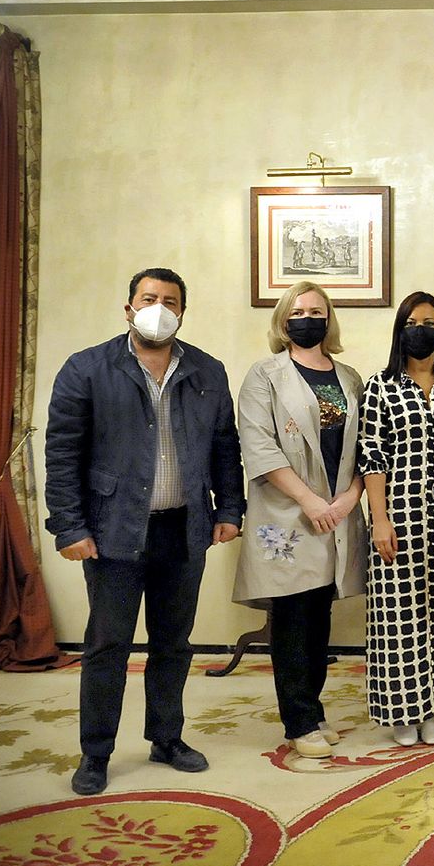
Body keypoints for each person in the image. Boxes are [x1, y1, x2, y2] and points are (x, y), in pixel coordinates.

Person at [45, 268, 244, 795]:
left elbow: (226, 446)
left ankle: (166, 737)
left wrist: (230, 509)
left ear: (183, 311)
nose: (159, 306)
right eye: (148, 298)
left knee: (173, 643)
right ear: (129, 307)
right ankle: (96, 752)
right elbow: (62, 454)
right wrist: (69, 526)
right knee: (108, 645)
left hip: (185, 528)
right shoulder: (88, 368)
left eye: (170, 300)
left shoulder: (207, 370)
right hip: (113, 530)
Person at [234, 282, 367, 759]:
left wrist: (350, 497)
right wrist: (310, 501)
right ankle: (299, 719)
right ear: (283, 319)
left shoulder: (350, 377)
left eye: (317, 310)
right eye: (299, 310)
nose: (308, 317)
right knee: (292, 616)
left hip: (338, 510)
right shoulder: (264, 375)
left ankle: (313, 709)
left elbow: (368, 449)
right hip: (289, 513)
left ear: (329, 319)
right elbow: (259, 446)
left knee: (319, 615)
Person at [357, 292, 434, 748]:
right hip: (400, 518)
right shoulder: (379, 387)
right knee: (399, 615)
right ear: (400, 330)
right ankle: (404, 711)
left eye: (429, 321)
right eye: (412, 321)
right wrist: (380, 519)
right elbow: (371, 456)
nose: (421, 328)